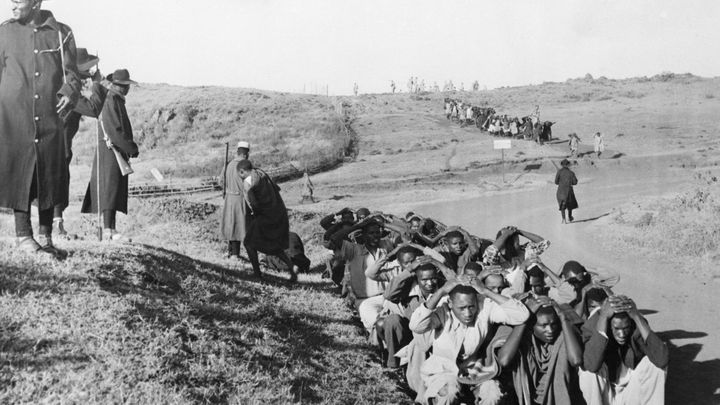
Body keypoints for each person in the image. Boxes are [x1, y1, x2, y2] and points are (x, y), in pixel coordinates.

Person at [0, 0, 81, 258]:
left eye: (18, 1)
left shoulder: (61, 32)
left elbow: (73, 75)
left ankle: (46, 238)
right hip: (15, 118)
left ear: (36, 2)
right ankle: (24, 236)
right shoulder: (4, 32)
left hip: (50, 117)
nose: (11, 5)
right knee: (20, 172)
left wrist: (70, 91)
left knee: (48, 172)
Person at [409, 278, 530, 405]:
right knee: (447, 393)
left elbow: (521, 315)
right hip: (443, 370)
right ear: (450, 303)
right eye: (461, 308)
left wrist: (485, 291)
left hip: (476, 371)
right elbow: (416, 326)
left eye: (471, 307)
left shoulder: (484, 306)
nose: (468, 313)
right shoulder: (443, 311)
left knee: (493, 394)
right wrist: (442, 291)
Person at [81, 69, 139, 242]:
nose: (127, 89)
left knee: (112, 189)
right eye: (124, 86)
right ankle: (108, 231)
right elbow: (114, 130)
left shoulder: (115, 99)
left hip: (114, 150)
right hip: (110, 151)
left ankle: (111, 229)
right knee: (109, 189)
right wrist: (131, 148)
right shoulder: (110, 99)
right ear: (117, 86)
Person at [54, 48, 106, 239]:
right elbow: (93, 109)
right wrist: (97, 84)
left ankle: (54, 226)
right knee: (58, 184)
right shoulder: (70, 93)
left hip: (55, 145)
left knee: (56, 184)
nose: (90, 74)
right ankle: (55, 227)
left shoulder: (60, 86)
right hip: (59, 147)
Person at [580, 295, 668, 405]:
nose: (622, 334)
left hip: (632, 392)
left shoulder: (636, 326)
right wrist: (603, 318)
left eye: (625, 328)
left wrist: (636, 316)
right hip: (606, 394)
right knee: (588, 372)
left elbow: (662, 359)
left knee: (655, 366)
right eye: (616, 329)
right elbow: (591, 365)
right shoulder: (595, 323)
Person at [497, 297, 586, 405]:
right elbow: (503, 360)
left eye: (553, 324)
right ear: (532, 326)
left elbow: (576, 360)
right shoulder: (525, 341)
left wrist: (563, 319)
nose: (550, 330)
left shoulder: (563, 337)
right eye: (543, 326)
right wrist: (524, 320)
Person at [328, 215, 397, 337]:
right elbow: (334, 239)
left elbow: (406, 234)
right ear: (363, 235)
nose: (375, 235)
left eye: (377, 232)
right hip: (365, 301)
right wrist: (359, 225)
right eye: (371, 233)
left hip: (388, 298)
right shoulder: (354, 250)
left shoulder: (386, 245)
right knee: (379, 330)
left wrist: (384, 224)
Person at [237, 159, 296, 281]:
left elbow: (254, 204)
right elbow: (276, 189)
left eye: (240, 174)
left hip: (264, 216)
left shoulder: (248, 183)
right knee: (272, 244)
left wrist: (255, 214)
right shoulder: (261, 173)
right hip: (278, 214)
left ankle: (257, 274)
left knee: (248, 243)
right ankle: (291, 267)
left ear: (242, 171)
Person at [220, 141, 251, 259]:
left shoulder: (228, 165)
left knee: (230, 224)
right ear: (246, 154)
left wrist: (227, 189)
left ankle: (231, 251)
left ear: (237, 152)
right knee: (239, 227)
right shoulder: (246, 166)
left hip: (229, 198)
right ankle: (235, 254)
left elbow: (220, 181)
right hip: (240, 199)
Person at [555, 159, 578, 224]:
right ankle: (570, 217)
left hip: (561, 190)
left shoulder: (559, 172)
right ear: (568, 165)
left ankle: (563, 219)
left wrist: (561, 183)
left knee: (562, 204)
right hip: (569, 190)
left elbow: (556, 182)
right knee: (570, 204)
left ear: (562, 165)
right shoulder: (571, 173)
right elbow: (575, 182)